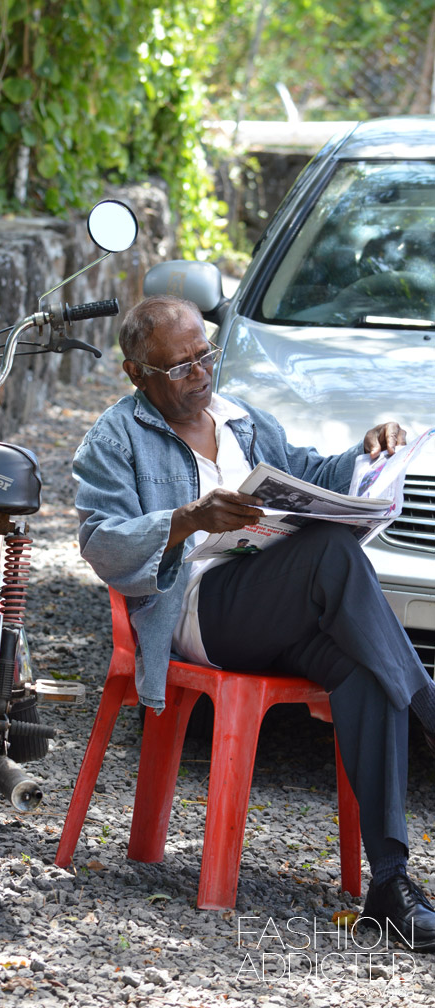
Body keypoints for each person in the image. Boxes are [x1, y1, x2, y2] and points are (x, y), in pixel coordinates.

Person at [73, 294, 435, 950]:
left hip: (274, 608)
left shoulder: (241, 419)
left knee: (360, 668)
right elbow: (101, 544)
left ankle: (390, 882)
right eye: (179, 367)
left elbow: (314, 475)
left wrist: (370, 453)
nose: (200, 374)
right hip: (196, 611)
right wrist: (186, 520)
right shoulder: (115, 437)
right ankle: (430, 706)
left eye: (205, 356)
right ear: (136, 375)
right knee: (331, 552)